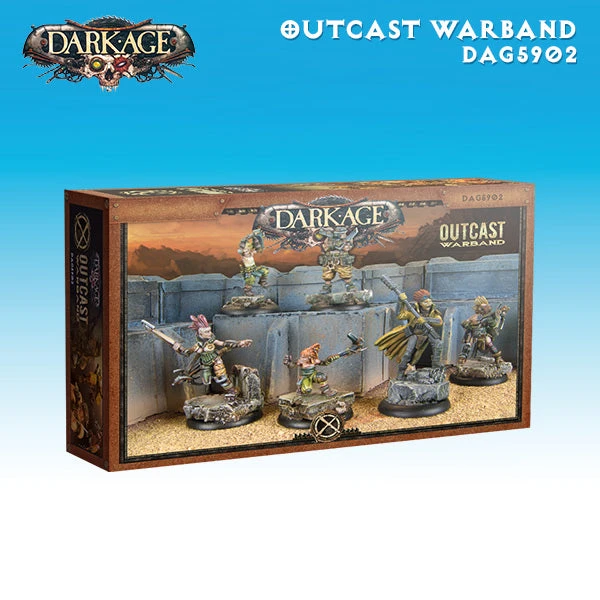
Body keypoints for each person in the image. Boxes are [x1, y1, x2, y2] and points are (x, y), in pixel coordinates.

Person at [375, 289, 443, 376]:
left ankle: (436, 371)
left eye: (430, 301)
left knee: (438, 345)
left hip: (427, 334)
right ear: (419, 303)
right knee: (407, 354)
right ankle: (401, 372)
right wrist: (401, 302)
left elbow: (439, 321)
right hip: (415, 335)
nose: (428, 304)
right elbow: (400, 315)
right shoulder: (413, 313)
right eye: (425, 302)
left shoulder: (433, 312)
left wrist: (426, 320)